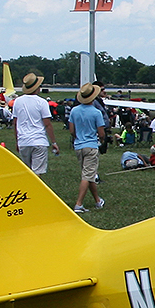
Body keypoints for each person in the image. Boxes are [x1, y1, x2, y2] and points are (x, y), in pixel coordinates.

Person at [68, 82, 106, 213]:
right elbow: (101, 133)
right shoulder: (96, 112)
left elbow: (71, 130)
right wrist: (102, 141)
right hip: (91, 146)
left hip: (78, 146)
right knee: (87, 176)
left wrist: (77, 138)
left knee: (88, 174)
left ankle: (97, 200)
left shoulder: (74, 110)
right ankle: (78, 204)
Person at [12, 72, 58, 175]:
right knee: (37, 173)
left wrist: (17, 141)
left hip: (23, 140)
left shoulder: (18, 101)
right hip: (38, 140)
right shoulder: (42, 102)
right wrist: (54, 142)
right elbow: (47, 124)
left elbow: (15, 123)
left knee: (27, 173)